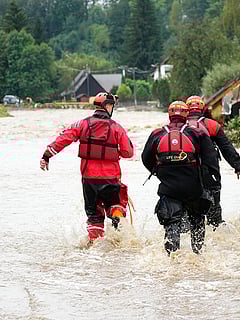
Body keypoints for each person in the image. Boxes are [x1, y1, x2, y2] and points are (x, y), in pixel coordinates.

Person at [40, 92, 134, 245]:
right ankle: (116, 216)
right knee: (116, 205)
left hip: (89, 179)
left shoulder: (81, 124)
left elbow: (63, 139)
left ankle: (94, 244)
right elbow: (128, 153)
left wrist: (46, 156)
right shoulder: (117, 128)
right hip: (111, 178)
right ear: (108, 106)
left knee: (94, 216)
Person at [141, 101, 220, 255]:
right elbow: (210, 158)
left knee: (172, 223)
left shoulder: (157, 133)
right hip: (194, 187)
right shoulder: (197, 132)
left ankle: (172, 258)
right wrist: (211, 180)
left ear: (169, 115)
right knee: (197, 222)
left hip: (168, 188)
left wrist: (158, 172)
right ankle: (198, 254)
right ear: (186, 115)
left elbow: (145, 158)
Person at [185, 95, 240, 228]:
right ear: (202, 108)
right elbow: (226, 147)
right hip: (209, 171)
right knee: (213, 207)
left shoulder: (180, 127)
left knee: (186, 208)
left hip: (186, 172)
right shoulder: (212, 125)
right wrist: (238, 166)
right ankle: (215, 227)